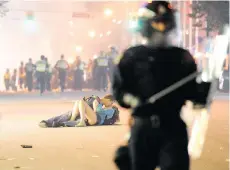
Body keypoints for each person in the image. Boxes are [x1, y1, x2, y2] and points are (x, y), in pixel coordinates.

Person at [112, 1, 211, 170]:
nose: (163, 29)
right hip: (142, 128)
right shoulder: (131, 57)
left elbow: (193, 95)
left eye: (166, 23)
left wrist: (204, 91)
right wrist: (134, 100)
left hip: (172, 128)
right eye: (159, 23)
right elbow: (120, 91)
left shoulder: (182, 57)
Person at [39, 94, 120, 128]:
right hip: (87, 116)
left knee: (81, 103)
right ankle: (49, 122)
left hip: (95, 119)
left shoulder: (111, 109)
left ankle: (81, 121)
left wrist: (96, 104)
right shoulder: (97, 100)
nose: (111, 104)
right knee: (77, 104)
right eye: (112, 102)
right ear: (109, 100)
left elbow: (98, 111)